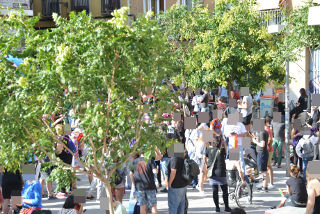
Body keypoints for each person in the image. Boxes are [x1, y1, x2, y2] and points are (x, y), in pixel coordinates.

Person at [206, 136, 231, 213]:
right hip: (221, 173)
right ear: (220, 143)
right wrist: (224, 143)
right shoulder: (221, 150)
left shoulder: (209, 149)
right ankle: (226, 207)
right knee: (224, 191)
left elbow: (206, 158)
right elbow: (228, 152)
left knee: (215, 191)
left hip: (212, 172)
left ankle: (217, 208)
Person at [265, 117, 274, 189]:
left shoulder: (267, 129)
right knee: (266, 167)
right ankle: (266, 182)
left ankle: (271, 183)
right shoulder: (268, 129)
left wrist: (268, 147)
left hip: (268, 150)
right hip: (268, 149)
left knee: (268, 166)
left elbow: (270, 139)